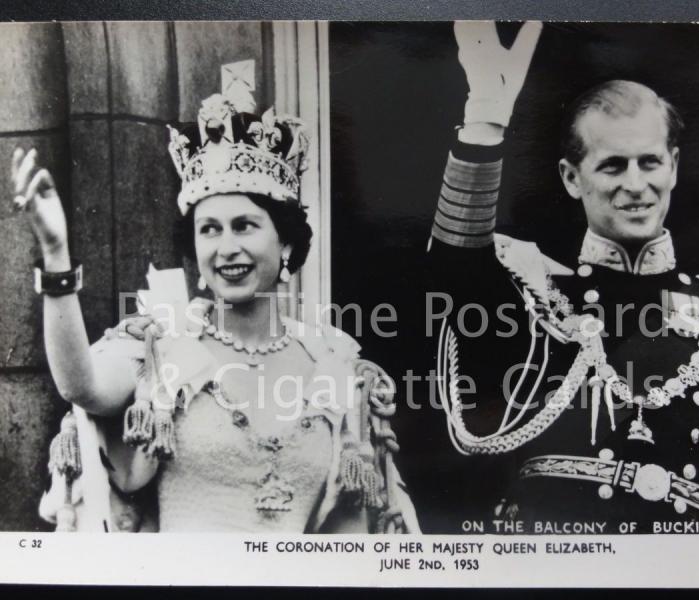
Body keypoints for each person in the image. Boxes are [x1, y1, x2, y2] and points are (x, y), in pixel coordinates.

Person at [429, 21, 699, 532]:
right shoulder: (538, 296)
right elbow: (452, 274)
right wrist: (486, 123)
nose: (636, 185)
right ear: (571, 177)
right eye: (612, 166)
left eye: (650, 162)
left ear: (673, 166)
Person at [13, 72, 418, 534]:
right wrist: (56, 254)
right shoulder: (162, 345)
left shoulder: (332, 361)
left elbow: (348, 536)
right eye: (209, 229)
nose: (226, 247)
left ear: (285, 244)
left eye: (244, 225)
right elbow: (80, 385)